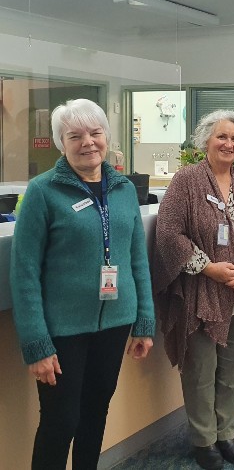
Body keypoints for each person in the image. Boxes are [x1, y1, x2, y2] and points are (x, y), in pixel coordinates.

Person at [10, 98, 155, 470]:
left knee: (95, 413)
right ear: (61, 142)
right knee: (61, 422)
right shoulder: (42, 192)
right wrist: (36, 344)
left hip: (115, 322)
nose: (88, 142)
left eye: (95, 132)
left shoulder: (123, 189)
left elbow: (136, 259)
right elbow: (24, 273)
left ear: (107, 136)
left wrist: (143, 321)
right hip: (62, 330)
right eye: (75, 135)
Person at [153, 110, 234, 470]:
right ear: (206, 140)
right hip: (201, 295)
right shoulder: (186, 181)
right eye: (221, 137)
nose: (228, 144)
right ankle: (204, 439)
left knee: (232, 370)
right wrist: (209, 268)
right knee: (201, 369)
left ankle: (227, 433)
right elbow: (168, 234)